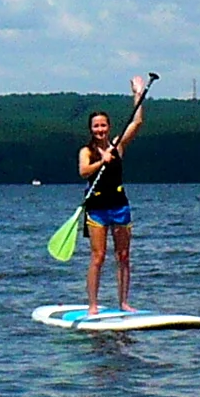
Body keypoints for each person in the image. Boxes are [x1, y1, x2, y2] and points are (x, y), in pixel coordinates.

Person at [78, 75, 147, 315]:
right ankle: (93, 305)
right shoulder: (86, 151)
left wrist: (137, 94)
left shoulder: (117, 145)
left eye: (103, 125)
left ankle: (124, 302)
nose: (100, 129)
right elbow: (83, 171)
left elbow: (136, 123)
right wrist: (102, 161)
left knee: (124, 255)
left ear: (108, 127)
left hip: (119, 206)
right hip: (97, 208)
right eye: (96, 126)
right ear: (91, 129)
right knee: (98, 257)